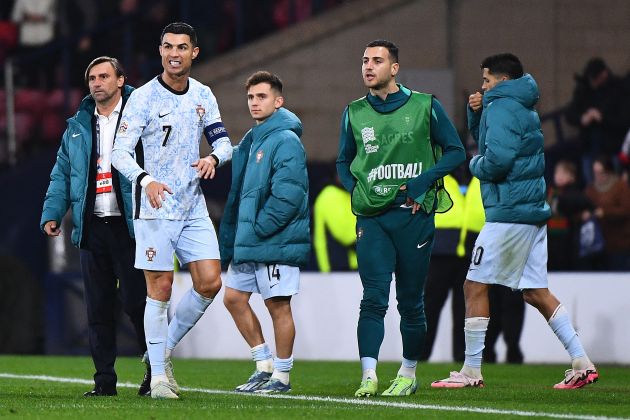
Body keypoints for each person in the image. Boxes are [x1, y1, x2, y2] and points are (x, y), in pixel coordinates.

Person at [432, 53, 599, 390]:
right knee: (536, 293)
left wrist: (474, 163)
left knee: (474, 285)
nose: (483, 87)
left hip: (508, 214)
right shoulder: (519, 105)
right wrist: (474, 115)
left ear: (502, 81)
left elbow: (497, 160)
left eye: (486, 81)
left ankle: (471, 370)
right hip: (529, 211)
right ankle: (582, 362)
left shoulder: (503, 107)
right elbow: (496, 142)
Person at [336, 39, 466, 397]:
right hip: (372, 217)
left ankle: (408, 373)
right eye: (364, 60)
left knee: (410, 301)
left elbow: (456, 151)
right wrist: (355, 190)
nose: (368, 66)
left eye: (377, 60)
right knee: (373, 297)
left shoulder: (425, 105)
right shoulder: (353, 112)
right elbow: (342, 161)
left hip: (414, 216)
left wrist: (424, 181)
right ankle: (368, 375)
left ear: (394, 68)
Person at [111, 22, 233, 400]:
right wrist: (146, 180)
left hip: (193, 206)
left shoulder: (203, 94)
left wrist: (213, 156)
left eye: (181, 47)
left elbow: (225, 142)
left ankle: (158, 351)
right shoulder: (144, 97)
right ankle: (160, 379)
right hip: (155, 207)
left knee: (211, 281)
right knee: (160, 289)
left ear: (194, 52)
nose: (174, 53)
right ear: (160, 51)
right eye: (167, 47)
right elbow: (118, 152)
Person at [40, 56, 149, 397]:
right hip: (92, 225)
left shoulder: (140, 116)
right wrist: (52, 213)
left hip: (130, 226)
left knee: (137, 303)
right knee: (97, 307)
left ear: (121, 80)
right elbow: (61, 174)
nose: (97, 82)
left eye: (104, 76)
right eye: (92, 78)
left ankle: (155, 374)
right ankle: (104, 382)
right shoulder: (77, 126)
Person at [219, 71, 310, 394]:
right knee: (233, 298)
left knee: (278, 306)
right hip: (252, 241)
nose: (255, 103)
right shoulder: (255, 138)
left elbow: (289, 197)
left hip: (273, 240)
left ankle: (282, 377)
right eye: (251, 97)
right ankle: (264, 364)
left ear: (278, 101)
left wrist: (259, 229)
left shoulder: (285, 140)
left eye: (262, 97)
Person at [420, 174, 467, 362]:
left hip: (466, 250)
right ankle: (418, 354)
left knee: (463, 309)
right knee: (430, 306)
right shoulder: (435, 175)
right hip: (440, 250)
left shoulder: (475, 177)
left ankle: (462, 358)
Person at [565, 58, 630, 184]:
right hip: (590, 149)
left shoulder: (618, 90)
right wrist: (582, 118)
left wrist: (602, 118)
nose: (593, 82)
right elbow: (570, 114)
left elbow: (623, 121)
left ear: (604, 74)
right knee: (592, 188)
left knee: (613, 187)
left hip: (612, 149)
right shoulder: (584, 91)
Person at [583, 155, 630, 271]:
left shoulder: (621, 187)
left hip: (619, 243)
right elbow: (582, 207)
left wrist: (605, 212)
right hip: (596, 245)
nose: (598, 176)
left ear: (609, 171)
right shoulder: (590, 189)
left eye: (601, 172)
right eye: (595, 172)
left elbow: (626, 210)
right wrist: (584, 214)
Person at [313, 166, 358, 273]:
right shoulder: (327, 196)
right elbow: (320, 238)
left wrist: (324, 270)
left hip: (343, 263)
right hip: (345, 262)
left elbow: (319, 239)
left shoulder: (354, 193)